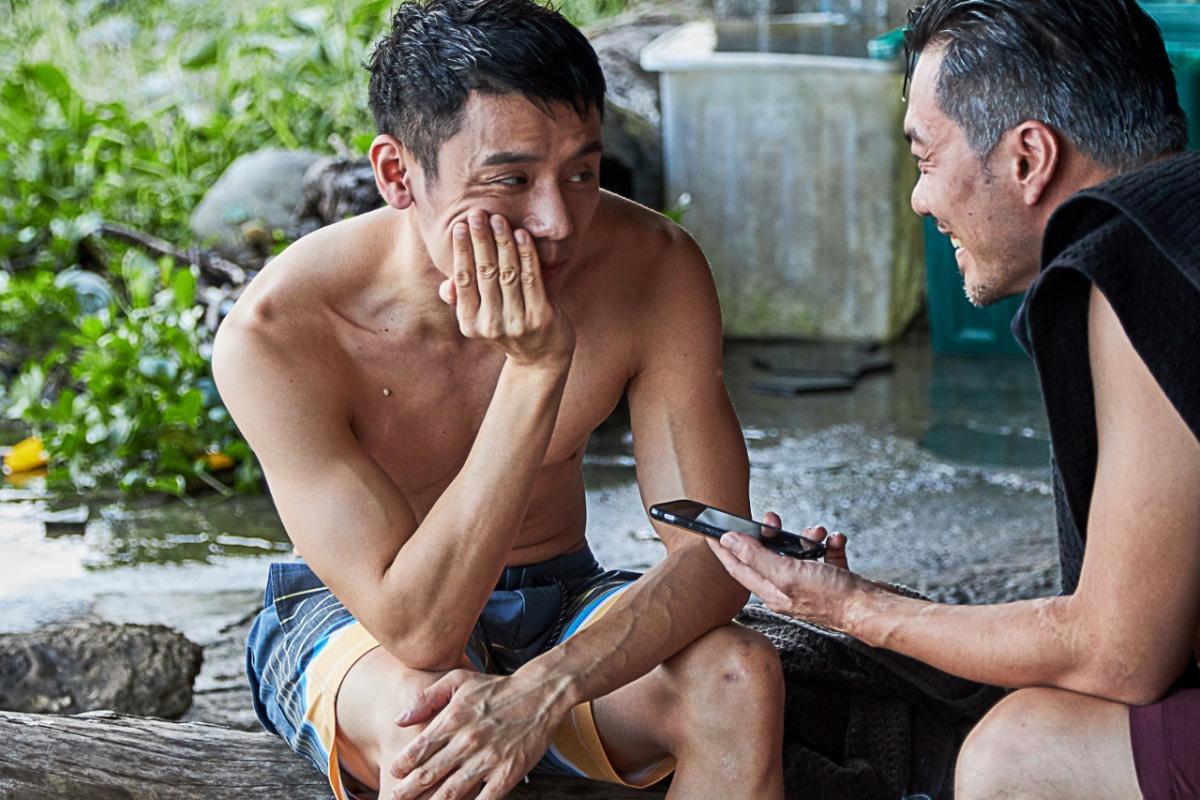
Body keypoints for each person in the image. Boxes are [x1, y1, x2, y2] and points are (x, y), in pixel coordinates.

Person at [213, 1, 790, 798]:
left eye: (582, 174)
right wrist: (535, 369)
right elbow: (418, 626)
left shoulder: (653, 268)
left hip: (560, 597)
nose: (556, 223)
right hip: (361, 619)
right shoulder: (281, 333)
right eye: (510, 180)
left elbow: (717, 557)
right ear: (397, 175)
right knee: (429, 725)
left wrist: (544, 687)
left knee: (738, 676)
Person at [709, 1, 1200, 798]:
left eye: (925, 159)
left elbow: (1120, 655)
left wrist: (854, 610)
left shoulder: (1133, 260)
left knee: (1020, 750)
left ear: (1029, 157)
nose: (919, 199)